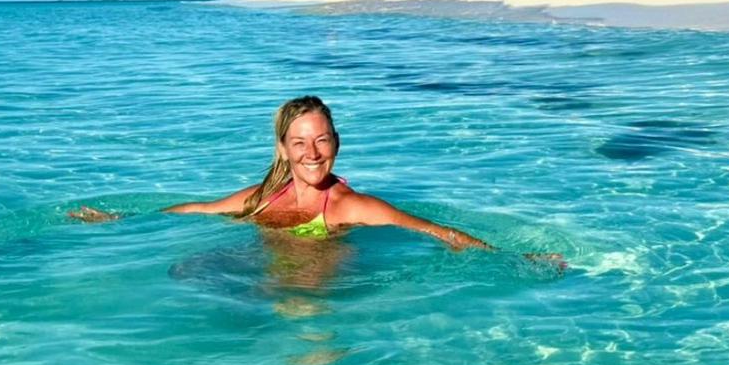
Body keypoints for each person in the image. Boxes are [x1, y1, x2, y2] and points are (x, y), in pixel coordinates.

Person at [156, 95, 496, 251]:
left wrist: (521, 260)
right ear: (284, 150)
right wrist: (120, 219)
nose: (313, 153)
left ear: (337, 143)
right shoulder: (262, 198)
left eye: (322, 140)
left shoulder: (350, 207)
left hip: (312, 300)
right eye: (300, 143)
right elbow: (197, 209)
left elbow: (438, 232)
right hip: (257, 284)